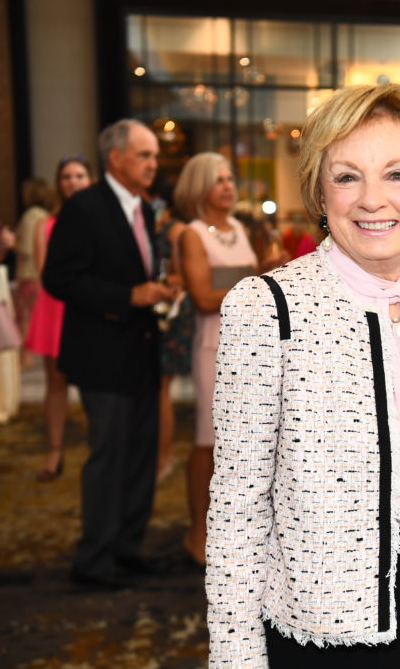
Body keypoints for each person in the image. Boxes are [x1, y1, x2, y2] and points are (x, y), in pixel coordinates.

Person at [206, 84, 400, 667]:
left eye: (398, 174)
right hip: (319, 638)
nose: (371, 199)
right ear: (320, 191)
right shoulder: (267, 309)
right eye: (347, 176)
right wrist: (235, 657)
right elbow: (237, 507)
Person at [42, 119, 177, 588]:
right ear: (114, 157)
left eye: (155, 156)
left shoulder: (146, 208)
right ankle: (93, 558)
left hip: (140, 350)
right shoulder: (85, 207)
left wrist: (160, 287)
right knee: (109, 455)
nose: (153, 164)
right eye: (144, 155)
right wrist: (129, 297)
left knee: (141, 454)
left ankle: (126, 547)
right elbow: (58, 279)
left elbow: (141, 268)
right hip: (101, 353)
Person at [175, 152, 258, 565]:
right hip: (212, 345)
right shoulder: (192, 234)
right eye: (217, 179)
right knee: (208, 440)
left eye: (230, 178)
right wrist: (253, 287)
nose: (228, 186)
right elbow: (204, 297)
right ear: (199, 187)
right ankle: (196, 531)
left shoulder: (239, 229)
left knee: (243, 443)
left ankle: (234, 527)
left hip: (247, 343)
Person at [27, 155, 94, 481]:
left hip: (89, 307)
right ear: (59, 183)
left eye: (79, 175)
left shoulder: (100, 220)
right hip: (55, 307)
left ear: (90, 180)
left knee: (94, 382)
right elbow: (45, 274)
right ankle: (54, 451)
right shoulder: (46, 225)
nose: (72, 182)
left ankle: (101, 447)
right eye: (66, 176)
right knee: (55, 383)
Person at [154, 199, 195, 484]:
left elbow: (184, 276)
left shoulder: (176, 231)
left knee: (161, 387)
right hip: (156, 310)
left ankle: (164, 456)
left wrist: (168, 281)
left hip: (172, 312)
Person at [14, 178, 54, 342]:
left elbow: (27, 248)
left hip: (28, 274)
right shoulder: (46, 215)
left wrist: (11, 242)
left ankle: (26, 358)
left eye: (25, 191)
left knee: (25, 317)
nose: (22, 195)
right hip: (40, 274)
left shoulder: (31, 216)